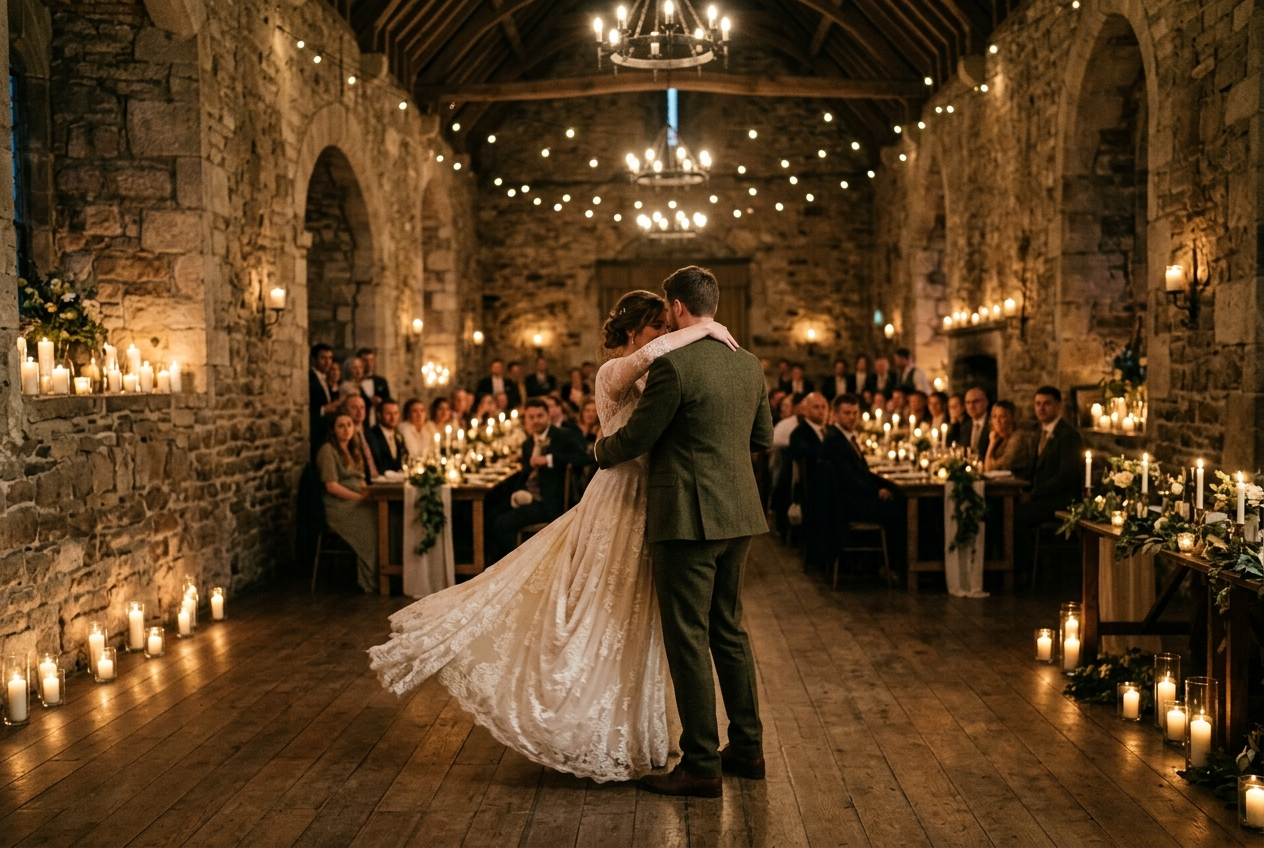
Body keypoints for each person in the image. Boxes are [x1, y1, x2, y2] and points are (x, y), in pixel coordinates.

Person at [368, 285, 742, 788]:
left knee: (640, 620)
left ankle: (639, 731)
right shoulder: (613, 371)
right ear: (634, 332)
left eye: (668, 325)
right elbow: (652, 359)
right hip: (619, 498)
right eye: (658, 326)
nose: (667, 333)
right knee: (601, 612)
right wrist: (704, 328)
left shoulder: (662, 375)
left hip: (654, 504)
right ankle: (583, 723)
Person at [595, 267, 772, 797]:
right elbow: (760, 438)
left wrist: (600, 450)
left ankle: (700, 764)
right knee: (729, 630)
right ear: (712, 306)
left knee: (689, 638)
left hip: (688, 517)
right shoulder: (751, 365)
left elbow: (637, 438)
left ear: (675, 309)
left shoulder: (674, 366)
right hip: (739, 513)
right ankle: (748, 748)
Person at [809, 394, 904, 579]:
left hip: (852, 498)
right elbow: (848, 480)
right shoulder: (835, 441)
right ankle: (893, 568)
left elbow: (858, 473)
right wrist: (877, 490)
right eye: (847, 413)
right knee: (899, 511)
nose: (852, 417)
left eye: (855, 413)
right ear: (835, 414)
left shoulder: (843, 437)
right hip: (847, 505)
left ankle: (883, 565)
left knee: (896, 502)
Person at [1015, 386, 1085, 580]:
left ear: (1059, 406)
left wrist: (1034, 494)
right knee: (1004, 507)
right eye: (1038, 404)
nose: (1041, 408)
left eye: (1047, 404)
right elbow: (1033, 468)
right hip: (1042, 496)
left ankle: (1025, 570)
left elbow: (1067, 476)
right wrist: (1019, 486)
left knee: (1016, 516)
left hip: (1060, 499)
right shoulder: (1040, 432)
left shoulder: (1068, 435)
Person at [316, 413, 378, 593]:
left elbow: (360, 480)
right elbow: (331, 486)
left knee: (385, 513)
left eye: (349, 425)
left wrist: (369, 492)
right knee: (371, 519)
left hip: (357, 498)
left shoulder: (353, 450)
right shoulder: (328, 450)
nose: (346, 429)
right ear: (333, 430)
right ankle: (370, 578)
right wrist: (358, 498)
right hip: (339, 504)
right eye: (341, 426)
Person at [983, 400, 1034, 473]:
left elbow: (991, 468)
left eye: (1002, 416)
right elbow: (987, 467)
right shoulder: (999, 438)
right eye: (994, 416)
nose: (997, 420)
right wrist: (992, 443)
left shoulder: (1018, 437)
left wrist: (991, 444)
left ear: (1011, 418)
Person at [309, 343, 339, 454]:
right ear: (313, 359)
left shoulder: (325, 378)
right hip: (315, 432)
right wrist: (324, 410)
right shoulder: (310, 378)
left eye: (330, 358)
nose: (327, 362)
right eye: (323, 358)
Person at [342, 395, 379, 480]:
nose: (360, 411)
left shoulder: (370, 434)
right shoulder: (345, 436)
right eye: (354, 408)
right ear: (345, 410)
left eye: (362, 407)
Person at [366, 399, 408, 474]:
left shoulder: (398, 435)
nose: (393, 417)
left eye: (395, 413)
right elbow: (378, 462)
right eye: (388, 413)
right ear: (379, 415)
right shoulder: (372, 435)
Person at [950, 388, 991, 456]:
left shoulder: (993, 423)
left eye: (975, 402)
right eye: (968, 402)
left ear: (986, 402)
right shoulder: (966, 425)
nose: (971, 406)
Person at [357, 347, 392, 427]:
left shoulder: (381, 381)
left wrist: (381, 402)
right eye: (365, 361)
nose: (369, 363)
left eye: (371, 360)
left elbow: (388, 401)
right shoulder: (354, 382)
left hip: (379, 422)